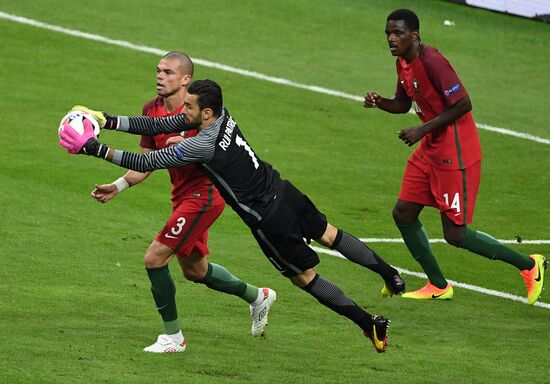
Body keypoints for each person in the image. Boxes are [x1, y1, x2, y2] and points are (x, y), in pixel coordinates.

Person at [59, 79, 405, 353]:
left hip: (268, 218)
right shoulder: (222, 116)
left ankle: (368, 322)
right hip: (285, 191)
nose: (184, 111)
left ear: (205, 113)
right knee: (331, 234)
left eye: (190, 106)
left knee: (306, 278)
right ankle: (391, 275)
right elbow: (162, 121)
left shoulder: (202, 144)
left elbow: (146, 162)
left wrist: (95, 147)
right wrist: (106, 119)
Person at [86, 52, 276, 354]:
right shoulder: (152, 110)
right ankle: (258, 296)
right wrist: (119, 185)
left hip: (205, 196)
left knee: (154, 258)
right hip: (182, 197)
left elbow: (208, 147)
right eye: (158, 70)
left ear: (186, 79)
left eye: (169, 72)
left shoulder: (202, 111)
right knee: (196, 271)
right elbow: (147, 161)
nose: (160, 76)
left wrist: (97, 149)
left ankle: (173, 338)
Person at [363, 9, 546, 302]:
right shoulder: (403, 63)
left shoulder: (432, 61)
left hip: (455, 152)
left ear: (415, 36)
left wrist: (422, 129)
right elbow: (402, 102)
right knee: (403, 213)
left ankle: (529, 265)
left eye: (397, 33)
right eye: (388, 33)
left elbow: (463, 104)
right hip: (430, 149)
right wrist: (380, 103)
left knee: (455, 234)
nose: (391, 39)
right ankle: (438, 284)